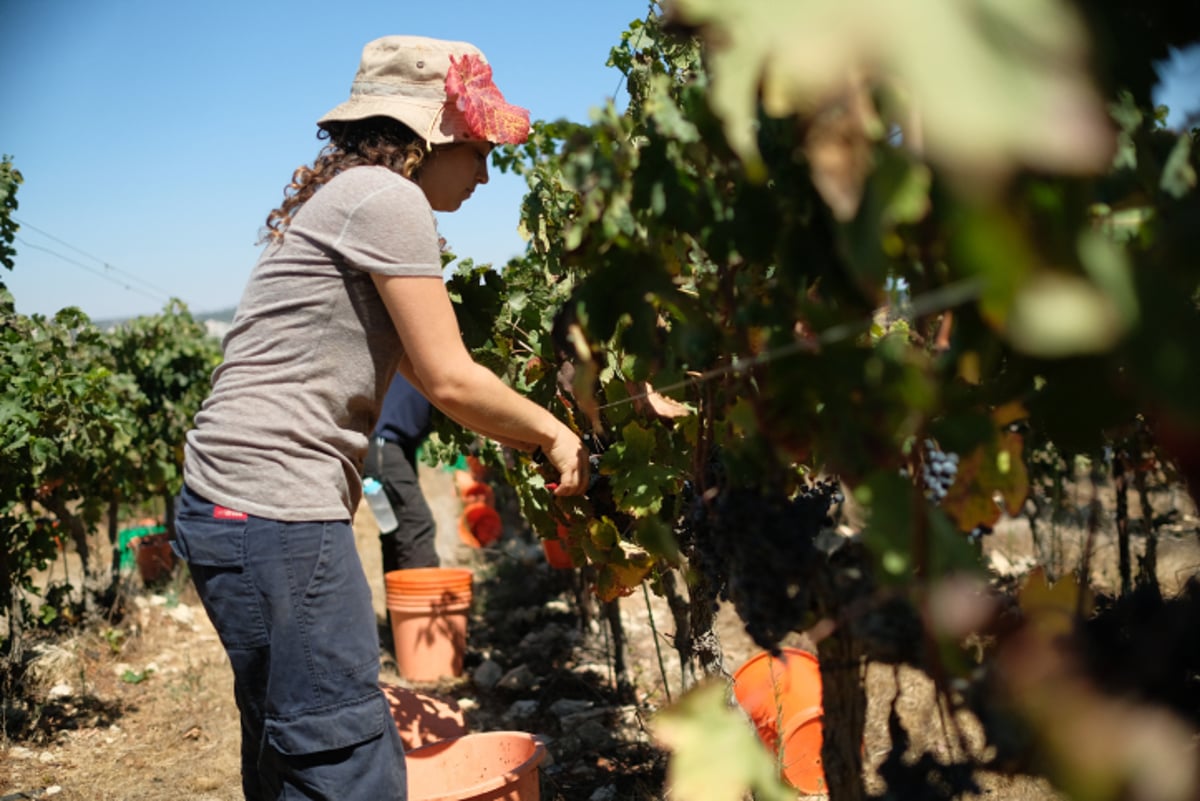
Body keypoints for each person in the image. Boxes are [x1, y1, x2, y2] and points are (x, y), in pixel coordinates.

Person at [171, 35, 588, 801]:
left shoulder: (349, 195)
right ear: (428, 134)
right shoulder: (389, 200)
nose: (487, 169)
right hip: (276, 513)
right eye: (476, 146)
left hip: (230, 508)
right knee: (346, 761)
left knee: (286, 746)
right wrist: (556, 431)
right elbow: (449, 376)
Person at [366, 373, 439, 572]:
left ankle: (400, 601)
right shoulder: (439, 353)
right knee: (416, 526)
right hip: (383, 446)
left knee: (395, 529)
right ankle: (422, 600)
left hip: (388, 446)